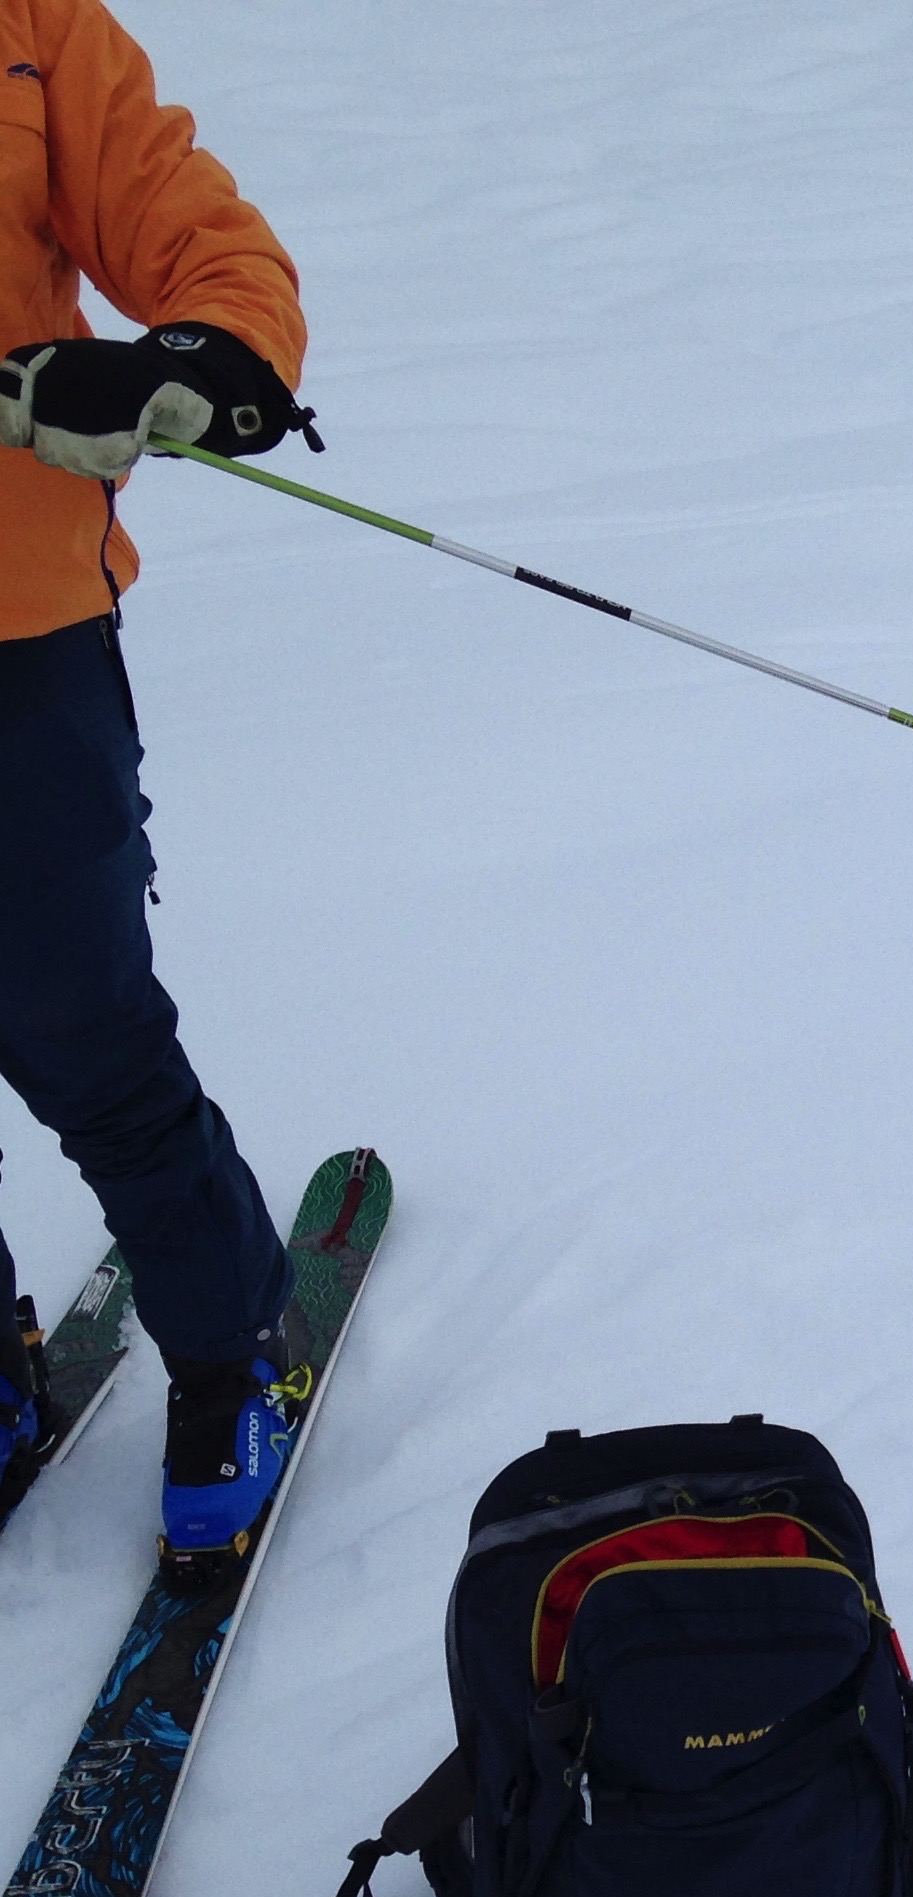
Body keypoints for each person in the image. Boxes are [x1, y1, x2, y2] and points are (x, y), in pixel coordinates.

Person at [0, 0, 323, 1576]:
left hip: (18, 641)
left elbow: (200, 237)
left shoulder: (34, 30)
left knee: (81, 1027)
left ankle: (225, 1347)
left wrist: (195, 361)